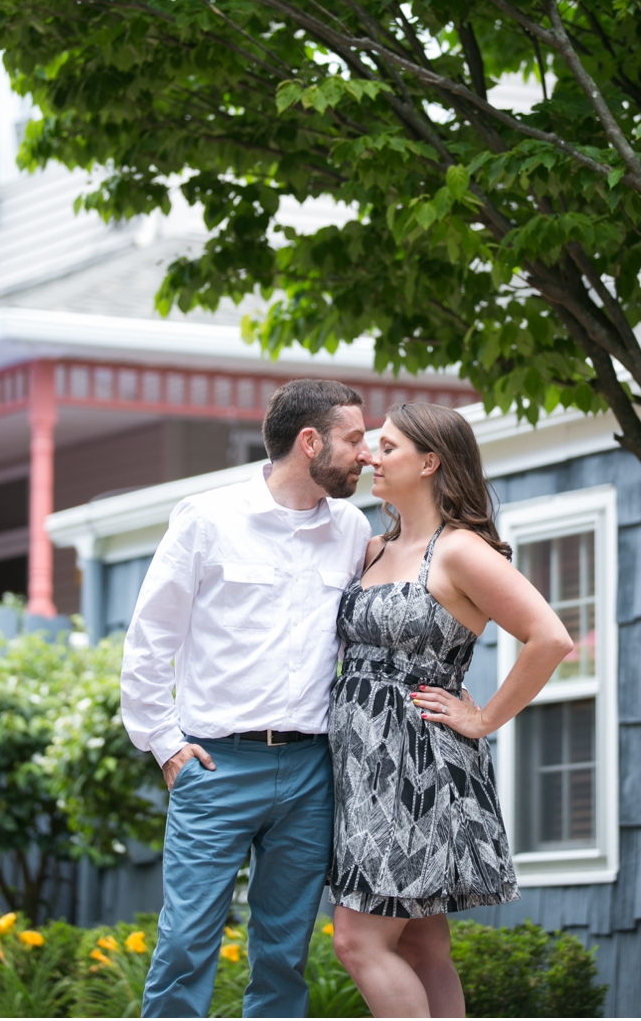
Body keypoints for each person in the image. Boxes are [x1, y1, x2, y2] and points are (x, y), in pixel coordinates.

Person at [121, 378, 373, 1019]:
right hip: (217, 765)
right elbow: (150, 639)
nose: (365, 454)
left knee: (285, 954)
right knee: (186, 943)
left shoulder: (350, 529)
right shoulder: (207, 519)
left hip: (311, 770)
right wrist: (166, 745)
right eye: (354, 439)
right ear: (309, 442)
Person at [328, 401, 574, 1019]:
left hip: (416, 768)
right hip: (361, 767)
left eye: (387, 448)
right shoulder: (374, 548)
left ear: (431, 461)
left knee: (358, 941)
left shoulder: (460, 551)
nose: (370, 456)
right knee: (420, 942)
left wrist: (485, 718)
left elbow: (550, 638)